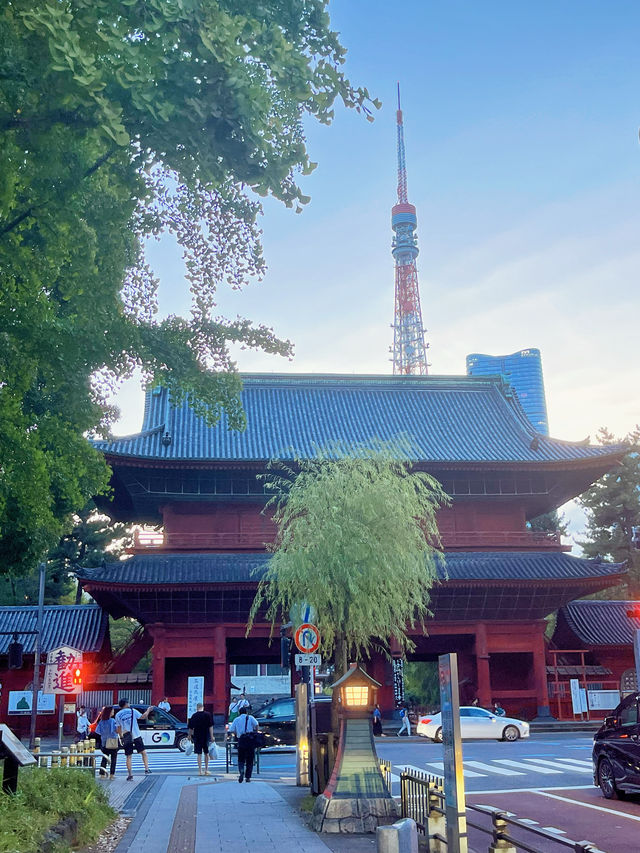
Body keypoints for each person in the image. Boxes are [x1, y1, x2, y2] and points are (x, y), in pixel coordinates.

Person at [115, 698, 154, 781]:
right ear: (126, 704)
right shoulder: (133, 711)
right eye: (128, 703)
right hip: (136, 735)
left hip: (126, 736)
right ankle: (147, 769)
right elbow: (143, 717)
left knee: (128, 756)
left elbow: (118, 728)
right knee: (143, 753)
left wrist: (121, 737)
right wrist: (148, 710)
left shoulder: (118, 715)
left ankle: (130, 775)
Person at [228, 706, 259, 783]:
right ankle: (248, 777)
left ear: (239, 712)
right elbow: (256, 725)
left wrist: (237, 734)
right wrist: (255, 732)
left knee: (241, 758)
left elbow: (231, 729)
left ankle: (241, 770)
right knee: (250, 759)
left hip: (241, 740)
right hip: (250, 739)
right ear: (246, 712)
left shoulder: (236, 719)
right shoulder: (250, 718)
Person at [188, 702, 214, 776]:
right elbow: (211, 726)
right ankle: (206, 770)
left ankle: (200, 770)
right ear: (203, 707)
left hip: (197, 736)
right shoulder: (208, 715)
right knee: (206, 753)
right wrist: (212, 736)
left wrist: (189, 735)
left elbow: (190, 727)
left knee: (199, 754)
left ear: (197, 708)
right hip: (206, 736)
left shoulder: (194, 716)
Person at [95, 706, 119, 779]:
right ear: (109, 712)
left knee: (104, 758)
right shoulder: (112, 721)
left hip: (104, 742)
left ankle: (102, 774)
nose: (113, 712)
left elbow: (97, 731)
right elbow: (115, 730)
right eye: (112, 711)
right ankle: (112, 775)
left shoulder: (101, 721)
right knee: (113, 758)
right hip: (112, 742)